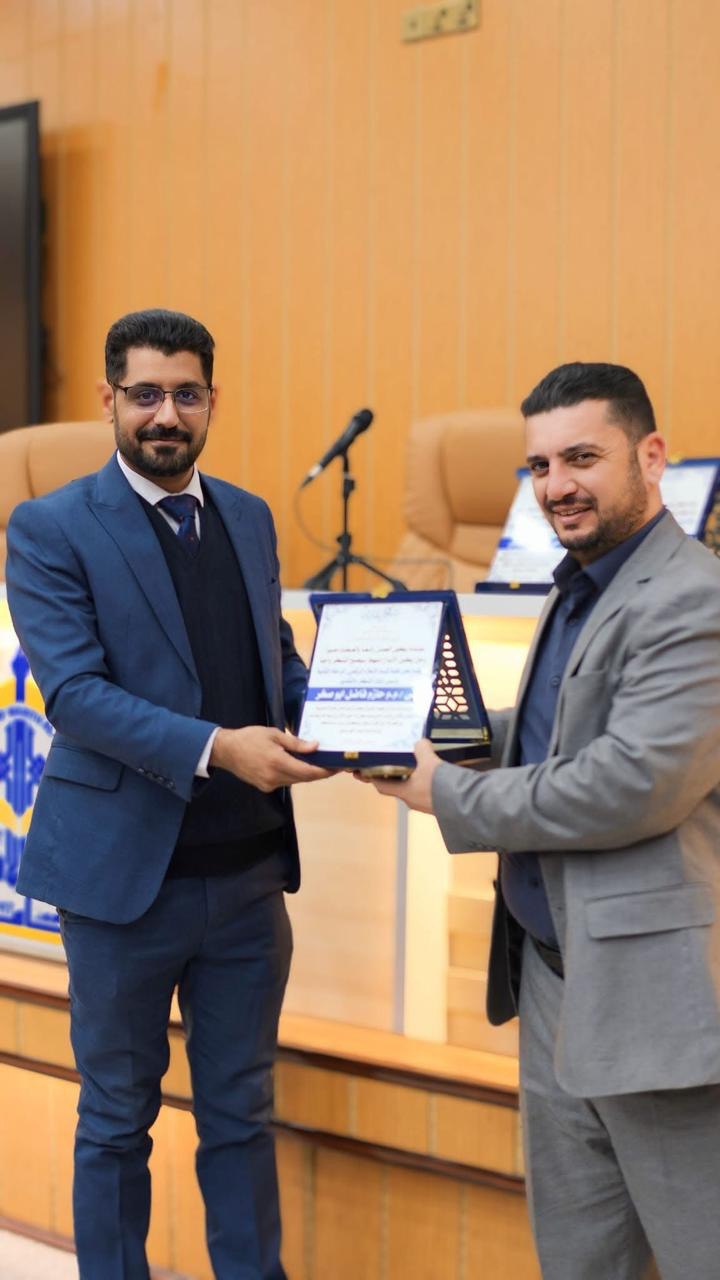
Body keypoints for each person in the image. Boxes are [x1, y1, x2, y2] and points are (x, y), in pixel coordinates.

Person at [369, 362, 720, 1280]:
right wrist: (427, 729)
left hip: (654, 998)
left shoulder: (695, 597)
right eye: (539, 465)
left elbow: (633, 783)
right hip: (555, 982)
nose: (556, 485)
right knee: (579, 1260)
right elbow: (556, 733)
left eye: (581, 458)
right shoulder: (580, 584)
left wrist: (447, 792)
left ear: (651, 456)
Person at [6, 309, 331, 1280]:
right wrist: (220, 749)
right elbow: (76, 695)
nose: (166, 414)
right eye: (145, 393)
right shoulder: (50, 526)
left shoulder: (251, 515)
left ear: (212, 401)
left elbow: (274, 662)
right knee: (117, 1119)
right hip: (122, 887)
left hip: (248, 882)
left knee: (242, 1114)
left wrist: (354, 715)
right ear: (108, 399)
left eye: (186, 394)